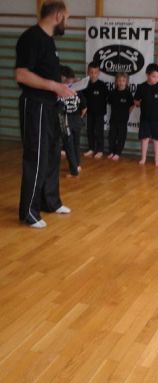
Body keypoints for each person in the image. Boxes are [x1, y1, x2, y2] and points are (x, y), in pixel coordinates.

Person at [15, 0, 74, 229]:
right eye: (67, 18)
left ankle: (50, 201)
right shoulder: (31, 38)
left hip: (50, 105)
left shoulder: (49, 41)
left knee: (51, 153)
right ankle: (29, 212)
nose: (67, 22)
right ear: (58, 15)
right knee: (36, 156)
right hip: (35, 105)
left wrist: (62, 88)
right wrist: (54, 86)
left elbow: (46, 75)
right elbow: (21, 75)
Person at [133, 63, 158, 166]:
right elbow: (136, 101)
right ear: (147, 75)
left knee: (156, 139)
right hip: (145, 118)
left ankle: (157, 159)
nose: (156, 79)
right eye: (154, 76)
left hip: (157, 119)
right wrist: (140, 103)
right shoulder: (142, 87)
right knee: (144, 139)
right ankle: (143, 158)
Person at [59, 65, 87, 176]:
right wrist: (79, 117)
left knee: (70, 145)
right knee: (74, 144)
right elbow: (84, 107)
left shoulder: (60, 90)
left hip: (67, 119)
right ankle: (77, 166)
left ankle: (74, 170)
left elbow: (84, 107)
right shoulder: (76, 89)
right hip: (75, 119)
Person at [83, 61, 108, 159]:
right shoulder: (85, 85)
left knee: (99, 131)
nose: (93, 74)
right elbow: (83, 99)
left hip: (99, 113)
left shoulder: (102, 85)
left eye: (95, 72)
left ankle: (100, 150)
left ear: (99, 73)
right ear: (88, 72)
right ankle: (91, 148)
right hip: (89, 112)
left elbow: (107, 98)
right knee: (90, 131)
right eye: (91, 72)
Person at [107, 72, 134, 161]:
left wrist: (127, 113)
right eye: (119, 80)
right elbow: (109, 103)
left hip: (123, 119)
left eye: (123, 80)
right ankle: (111, 151)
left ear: (126, 82)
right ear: (116, 81)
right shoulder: (113, 93)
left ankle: (118, 153)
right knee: (112, 136)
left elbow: (132, 105)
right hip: (113, 119)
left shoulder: (128, 94)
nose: (121, 82)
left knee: (121, 137)